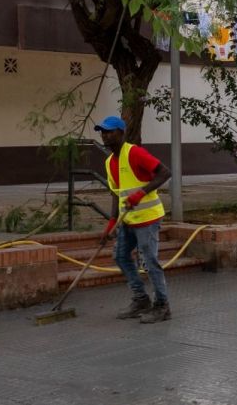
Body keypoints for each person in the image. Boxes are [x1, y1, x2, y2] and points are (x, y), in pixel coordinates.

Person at [95, 116, 174, 323]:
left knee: (149, 261)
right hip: (128, 220)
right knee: (120, 257)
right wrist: (111, 222)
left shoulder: (134, 153)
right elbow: (116, 194)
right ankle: (140, 299)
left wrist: (140, 193)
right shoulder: (109, 162)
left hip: (147, 218)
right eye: (102, 132)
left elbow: (165, 172)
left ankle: (162, 305)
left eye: (109, 131)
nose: (105, 135)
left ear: (121, 133)